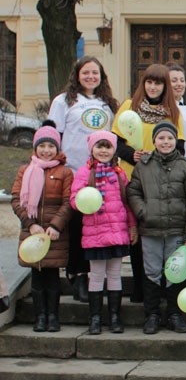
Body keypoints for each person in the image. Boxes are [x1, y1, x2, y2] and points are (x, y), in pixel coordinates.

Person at [48, 56, 119, 303]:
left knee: (97, 228)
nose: (90, 77)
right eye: (86, 72)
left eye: (95, 73)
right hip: (75, 172)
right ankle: (77, 275)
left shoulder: (108, 103)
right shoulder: (64, 101)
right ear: (77, 75)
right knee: (77, 227)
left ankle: (99, 278)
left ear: (102, 76)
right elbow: (54, 134)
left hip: (102, 174)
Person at [112, 63, 185, 304]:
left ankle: (162, 288)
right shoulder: (127, 106)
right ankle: (141, 288)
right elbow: (116, 142)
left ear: (165, 86)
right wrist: (130, 154)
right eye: (149, 82)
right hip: (133, 178)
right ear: (143, 84)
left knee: (159, 237)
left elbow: (180, 147)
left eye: (158, 83)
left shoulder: (173, 113)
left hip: (160, 181)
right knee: (137, 235)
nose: (153, 87)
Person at [127, 121, 186, 335]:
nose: (166, 142)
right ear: (154, 141)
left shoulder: (185, 165)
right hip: (150, 229)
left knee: (175, 272)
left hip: (176, 229)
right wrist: (143, 212)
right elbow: (133, 192)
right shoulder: (143, 165)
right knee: (151, 271)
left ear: (175, 141)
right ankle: (151, 314)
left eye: (170, 138)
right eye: (161, 138)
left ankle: (174, 314)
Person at [70, 131, 137, 335]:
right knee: (97, 275)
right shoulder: (84, 172)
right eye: (100, 146)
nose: (103, 150)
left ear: (113, 149)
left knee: (115, 275)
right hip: (95, 233)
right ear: (92, 149)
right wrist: (83, 202)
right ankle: (95, 318)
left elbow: (127, 203)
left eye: (107, 146)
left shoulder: (119, 173)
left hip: (117, 232)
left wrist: (132, 225)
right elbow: (74, 199)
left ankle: (115, 317)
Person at [12, 124, 73, 333]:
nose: (46, 150)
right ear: (35, 148)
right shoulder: (25, 170)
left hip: (54, 234)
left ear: (57, 148)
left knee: (52, 277)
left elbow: (68, 203)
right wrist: (31, 224)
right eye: (42, 146)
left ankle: (53, 317)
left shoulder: (65, 172)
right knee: (37, 277)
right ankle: (40, 317)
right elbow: (16, 200)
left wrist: (56, 225)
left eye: (51, 146)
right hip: (33, 233)